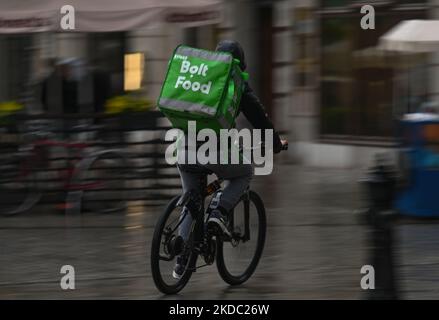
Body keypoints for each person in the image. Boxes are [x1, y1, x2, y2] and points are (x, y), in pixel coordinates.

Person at [173, 40, 287, 279]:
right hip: (214, 150)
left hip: (183, 148)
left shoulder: (202, 75)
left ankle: (180, 254)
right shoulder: (237, 83)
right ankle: (219, 212)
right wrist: (276, 143)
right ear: (241, 65)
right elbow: (259, 118)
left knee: (191, 202)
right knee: (244, 172)